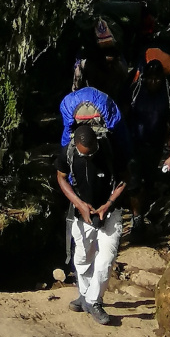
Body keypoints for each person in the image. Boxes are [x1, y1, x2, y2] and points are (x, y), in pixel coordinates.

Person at [56, 120, 125, 325]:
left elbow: (124, 180)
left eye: (92, 151)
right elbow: (61, 177)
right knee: (82, 256)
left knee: (106, 259)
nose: (89, 155)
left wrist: (108, 204)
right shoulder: (67, 153)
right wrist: (79, 204)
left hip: (110, 211)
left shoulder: (109, 149)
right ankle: (85, 295)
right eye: (85, 153)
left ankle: (94, 301)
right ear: (76, 146)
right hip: (82, 214)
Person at [125, 49, 170, 225]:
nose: (153, 82)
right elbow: (123, 116)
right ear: (144, 78)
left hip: (154, 147)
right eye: (150, 78)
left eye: (157, 79)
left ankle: (144, 212)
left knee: (148, 182)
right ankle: (137, 219)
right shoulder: (136, 92)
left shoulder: (168, 95)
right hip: (133, 144)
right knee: (134, 182)